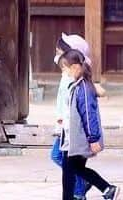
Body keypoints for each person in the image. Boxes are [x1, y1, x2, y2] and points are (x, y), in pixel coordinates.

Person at [58, 49, 119, 200]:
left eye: (64, 68)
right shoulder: (77, 85)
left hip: (78, 138)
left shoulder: (83, 88)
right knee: (76, 168)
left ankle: (104, 189)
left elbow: (89, 115)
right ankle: (107, 188)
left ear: (74, 67)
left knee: (68, 172)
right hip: (72, 137)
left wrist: (93, 138)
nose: (63, 73)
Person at [51, 34, 92, 200]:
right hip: (64, 126)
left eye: (60, 52)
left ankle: (80, 189)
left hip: (70, 128)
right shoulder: (65, 75)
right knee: (61, 158)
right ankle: (81, 185)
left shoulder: (73, 79)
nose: (57, 55)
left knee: (58, 156)